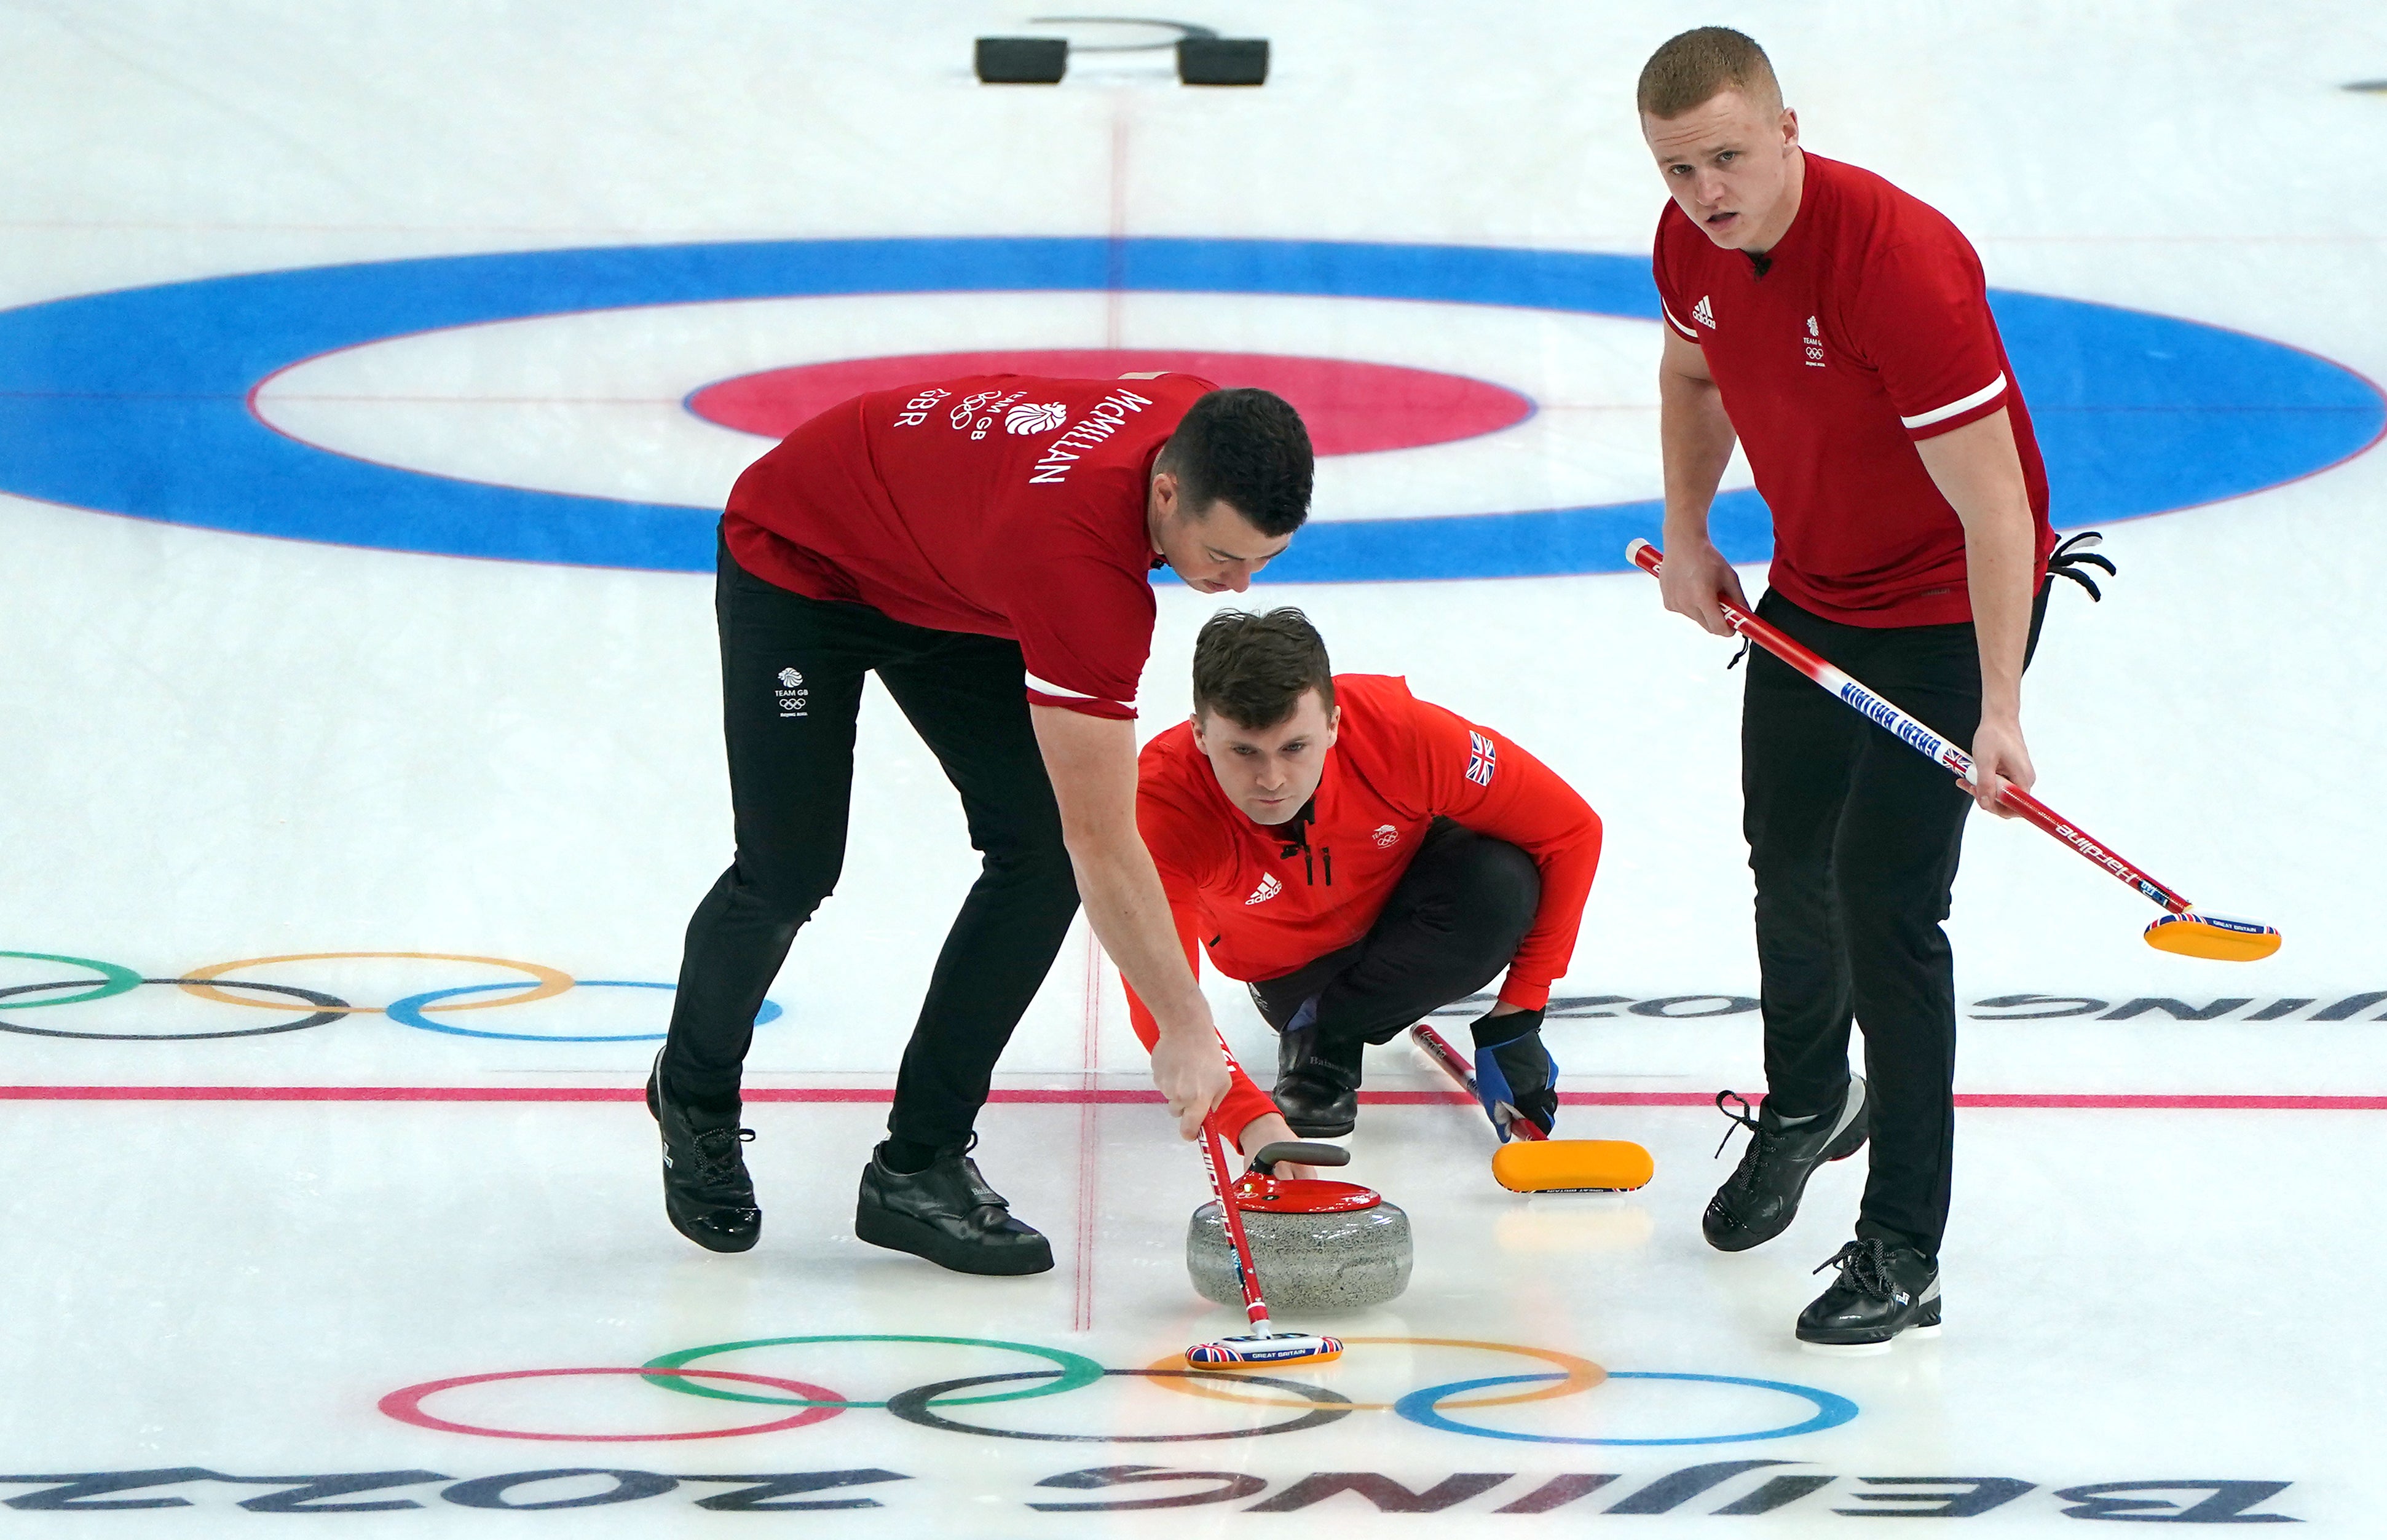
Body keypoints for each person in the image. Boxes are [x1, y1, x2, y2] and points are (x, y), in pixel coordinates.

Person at [650, 371, 1312, 1276]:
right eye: (1222, 556)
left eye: (1264, 561)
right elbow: (1106, 840)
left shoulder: (1199, 418)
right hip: (804, 562)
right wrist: (1187, 1028)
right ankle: (691, 1095)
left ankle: (917, 1166)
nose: (1236, 587)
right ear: (1166, 488)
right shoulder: (1080, 577)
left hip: (948, 571)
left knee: (1033, 853)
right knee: (789, 868)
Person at [1637, 26, 2078, 1348]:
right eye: (1675, 169)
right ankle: (1805, 1101)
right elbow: (1693, 369)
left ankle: (1900, 1247)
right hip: (1815, 586)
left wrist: (1998, 707)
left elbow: (1998, 510)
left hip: (1950, 610)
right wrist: (1693, 526)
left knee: (1887, 904)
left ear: (1787, 128)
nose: (1706, 191)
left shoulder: (1900, 268)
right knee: (1785, 857)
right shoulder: (1690, 246)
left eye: (1725, 155)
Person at [1122, 608, 1603, 1157]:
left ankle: (1333, 1026)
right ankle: (1319, 1028)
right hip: (1291, 971)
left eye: (1295, 747)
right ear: (1200, 734)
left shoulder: (1398, 734)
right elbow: (1158, 989)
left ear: (1333, 724)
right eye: (1244, 751)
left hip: (1409, 896)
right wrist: (1250, 1119)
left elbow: (1570, 833)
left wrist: (1520, 1012)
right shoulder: (1165, 805)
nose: (1272, 780)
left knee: (1502, 882)